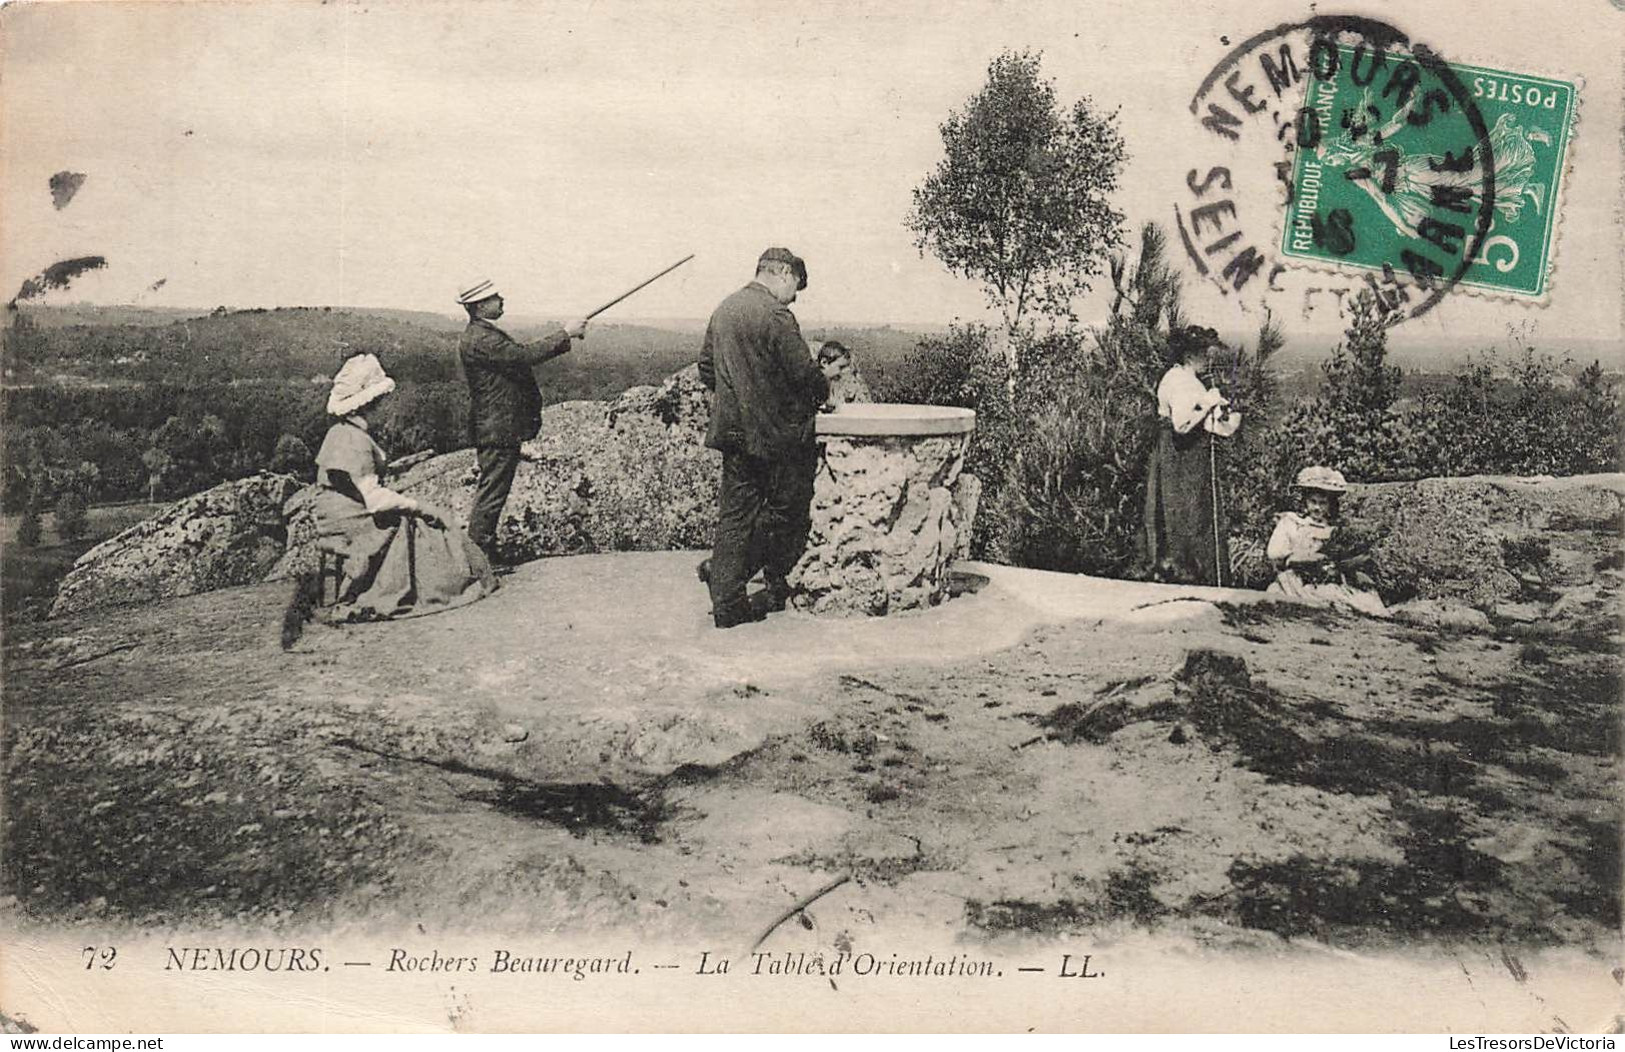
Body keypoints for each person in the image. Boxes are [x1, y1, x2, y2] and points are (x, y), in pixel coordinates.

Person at [281, 353, 495, 647]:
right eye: (381, 402)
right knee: (421, 528)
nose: (385, 408)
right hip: (350, 518)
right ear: (369, 405)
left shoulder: (341, 432)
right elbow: (374, 499)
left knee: (411, 517)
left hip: (332, 509)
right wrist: (421, 507)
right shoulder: (355, 440)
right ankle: (417, 586)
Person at [696, 248, 832, 628]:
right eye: (796, 287)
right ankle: (733, 572)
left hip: (732, 431)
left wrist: (735, 396)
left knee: (736, 515)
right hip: (774, 436)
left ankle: (726, 597)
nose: (795, 296)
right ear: (783, 274)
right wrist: (819, 393)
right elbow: (805, 375)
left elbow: (706, 367)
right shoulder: (776, 315)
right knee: (787, 511)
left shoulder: (725, 308)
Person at [456, 278, 589, 566]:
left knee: (494, 491)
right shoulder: (482, 338)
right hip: (497, 428)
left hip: (497, 426)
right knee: (492, 494)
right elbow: (524, 356)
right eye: (494, 297)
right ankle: (479, 560)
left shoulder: (481, 334)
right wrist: (566, 333)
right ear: (479, 306)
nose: (501, 299)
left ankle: (483, 555)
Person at [1142, 324, 1242, 586]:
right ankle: (1186, 575)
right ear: (1188, 355)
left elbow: (1207, 422)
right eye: (1204, 353)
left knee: (1197, 513)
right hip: (1180, 456)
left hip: (1191, 456)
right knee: (1185, 515)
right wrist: (1208, 402)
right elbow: (1182, 424)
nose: (1209, 359)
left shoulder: (1190, 380)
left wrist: (1227, 416)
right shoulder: (1178, 381)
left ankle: (1201, 577)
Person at [1265, 466, 1387, 616]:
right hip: (1295, 580)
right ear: (1304, 501)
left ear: (1330, 504)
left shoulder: (1334, 528)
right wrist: (1302, 558)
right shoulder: (1291, 523)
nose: (1317, 507)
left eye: (1322, 503)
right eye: (1313, 501)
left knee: (1361, 602)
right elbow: (1274, 554)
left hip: (1330, 581)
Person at [813, 339, 873, 406]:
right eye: (841, 367)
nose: (843, 372)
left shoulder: (834, 382)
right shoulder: (810, 385)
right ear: (824, 362)